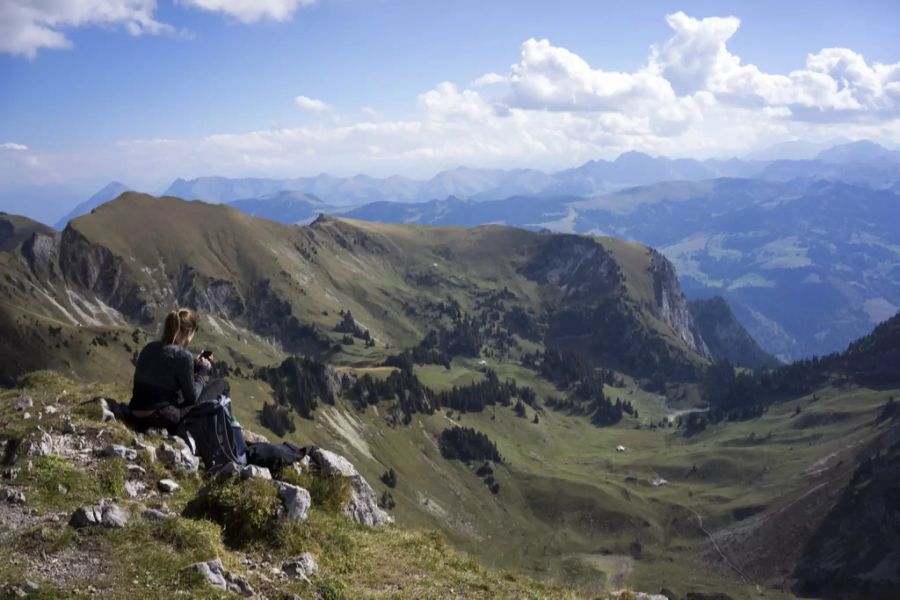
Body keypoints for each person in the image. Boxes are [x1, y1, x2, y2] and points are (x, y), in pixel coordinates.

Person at [129, 308, 229, 434]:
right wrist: (202, 372)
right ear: (188, 332)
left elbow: (165, 371)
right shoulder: (183, 355)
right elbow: (192, 398)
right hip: (159, 417)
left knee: (179, 394)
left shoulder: (149, 347)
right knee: (222, 385)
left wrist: (194, 366)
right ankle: (226, 433)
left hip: (134, 412)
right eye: (193, 332)